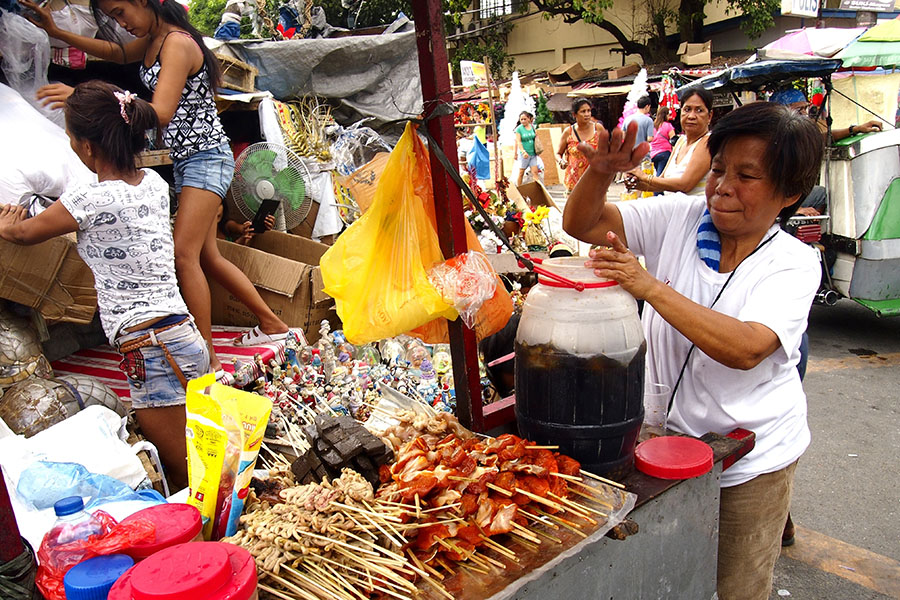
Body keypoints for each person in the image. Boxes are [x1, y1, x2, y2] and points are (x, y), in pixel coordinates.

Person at [562, 101, 824, 599]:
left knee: (733, 587)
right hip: (662, 443)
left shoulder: (794, 262)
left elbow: (747, 347)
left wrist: (648, 286)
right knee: (669, 576)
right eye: (719, 169)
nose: (723, 186)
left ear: (789, 193)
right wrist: (598, 174)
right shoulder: (683, 217)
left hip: (747, 461)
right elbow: (585, 223)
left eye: (747, 176)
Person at [22, 0, 290, 377]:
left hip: (206, 157)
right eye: (112, 18)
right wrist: (57, 32)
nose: (121, 23)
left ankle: (208, 359)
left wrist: (91, 102)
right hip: (190, 159)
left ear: (144, 2)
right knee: (207, 256)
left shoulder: (176, 43)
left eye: (121, 12)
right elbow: (114, 53)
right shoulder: (152, 41)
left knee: (184, 256)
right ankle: (272, 324)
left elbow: (160, 113)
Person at [0, 81, 213, 489]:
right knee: (197, 456)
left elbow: (26, 234)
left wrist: (8, 224)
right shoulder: (152, 183)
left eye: (70, 138)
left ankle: (224, 540)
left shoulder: (88, 198)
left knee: (193, 473)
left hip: (148, 345)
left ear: (88, 148)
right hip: (181, 336)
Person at [625, 87, 714, 196]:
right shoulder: (681, 141)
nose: (691, 116)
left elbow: (685, 185)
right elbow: (662, 180)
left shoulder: (708, 142)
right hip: (673, 207)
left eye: (699, 110)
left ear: (709, 116)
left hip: (695, 211)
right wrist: (636, 183)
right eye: (687, 109)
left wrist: (644, 177)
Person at [770, 88, 882, 141]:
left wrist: (855, 129)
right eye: (799, 109)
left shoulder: (801, 134)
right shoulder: (774, 138)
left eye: (805, 108)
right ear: (781, 111)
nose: (804, 113)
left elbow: (822, 138)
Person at [555, 98, 600, 192]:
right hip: (574, 183)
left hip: (595, 181)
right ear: (574, 114)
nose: (587, 114)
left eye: (589, 111)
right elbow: (558, 153)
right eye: (583, 111)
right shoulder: (568, 132)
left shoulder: (598, 129)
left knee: (597, 207)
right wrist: (561, 162)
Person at [514, 111, 541, 186]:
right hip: (524, 154)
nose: (523, 121)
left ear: (529, 119)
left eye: (525, 119)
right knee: (521, 172)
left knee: (535, 172)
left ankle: (537, 189)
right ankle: (519, 188)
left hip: (533, 153)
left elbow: (535, 137)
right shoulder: (519, 129)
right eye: (521, 119)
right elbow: (518, 141)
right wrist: (523, 151)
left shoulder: (532, 127)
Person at [649, 105, 676, 175]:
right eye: (668, 114)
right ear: (665, 115)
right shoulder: (668, 126)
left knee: (658, 172)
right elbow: (673, 140)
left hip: (653, 154)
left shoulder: (653, 126)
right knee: (660, 175)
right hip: (664, 153)